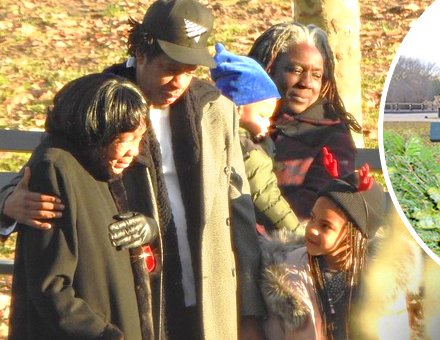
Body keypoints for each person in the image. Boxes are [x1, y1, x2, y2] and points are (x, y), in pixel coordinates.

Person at [0, 0, 264, 338]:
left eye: (190, 71)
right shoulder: (100, 105)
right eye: (170, 67)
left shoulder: (217, 109)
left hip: (209, 302)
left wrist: (251, 310)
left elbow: (236, 206)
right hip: (135, 298)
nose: (178, 82)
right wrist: (8, 205)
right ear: (141, 52)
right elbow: (47, 165)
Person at [9, 73, 155, 339]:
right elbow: (51, 285)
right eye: (126, 139)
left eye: (139, 138)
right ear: (97, 129)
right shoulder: (55, 169)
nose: (134, 151)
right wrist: (104, 334)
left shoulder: (102, 167)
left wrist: (150, 228)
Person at [259, 156, 409, 339]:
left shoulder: (383, 280)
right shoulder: (289, 273)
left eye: (325, 226)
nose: (312, 229)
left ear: (356, 234)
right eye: (312, 218)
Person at [248, 22, 361, 220]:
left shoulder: (332, 134)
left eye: (316, 75)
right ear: (268, 69)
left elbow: (319, 201)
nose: (306, 83)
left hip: (291, 242)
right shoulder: (242, 116)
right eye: (296, 70)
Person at [211, 43, 301, 232]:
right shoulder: (249, 151)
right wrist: (296, 232)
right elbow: (267, 198)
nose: (268, 123)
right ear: (237, 108)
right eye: (262, 115)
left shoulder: (213, 135)